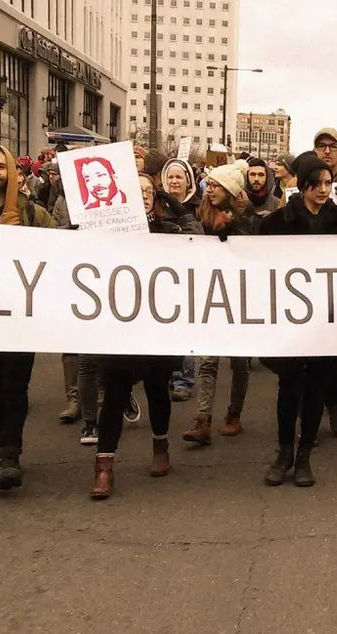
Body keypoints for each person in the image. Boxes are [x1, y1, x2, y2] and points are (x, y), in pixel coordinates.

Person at [258, 155, 337, 487]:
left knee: (317, 388)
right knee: (289, 388)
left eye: (328, 183)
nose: (322, 189)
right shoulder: (277, 223)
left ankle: (304, 456)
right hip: (290, 321)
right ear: (302, 185)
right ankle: (284, 452)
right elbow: (253, 262)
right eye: (316, 183)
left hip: (327, 321)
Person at [89, 175, 193, 500]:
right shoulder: (107, 235)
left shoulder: (170, 230)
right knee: (115, 394)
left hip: (158, 326)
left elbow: (196, 244)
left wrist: (176, 205)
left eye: (150, 191)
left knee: (157, 388)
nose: (145, 196)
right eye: (139, 191)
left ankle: (160, 446)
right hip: (120, 326)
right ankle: (104, 466)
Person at [0, 142, 55, 491]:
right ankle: (0, 447)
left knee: (14, 384)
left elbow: (58, 252)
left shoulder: (33, 213)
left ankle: (10, 454)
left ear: (11, 171)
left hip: (21, 314)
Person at [182, 159, 254, 445]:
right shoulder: (203, 213)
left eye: (214, 185)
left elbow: (256, 250)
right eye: (208, 184)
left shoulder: (246, 216)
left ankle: (234, 414)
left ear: (229, 189)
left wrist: (234, 231)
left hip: (240, 297)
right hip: (210, 295)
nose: (208, 189)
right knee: (208, 360)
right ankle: (203, 420)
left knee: (239, 362)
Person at [244, 157, 278, 222]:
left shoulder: (278, 204)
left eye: (261, 175)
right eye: (252, 174)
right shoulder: (237, 204)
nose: (256, 178)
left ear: (267, 177)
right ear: (246, 176)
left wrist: (274, 220)